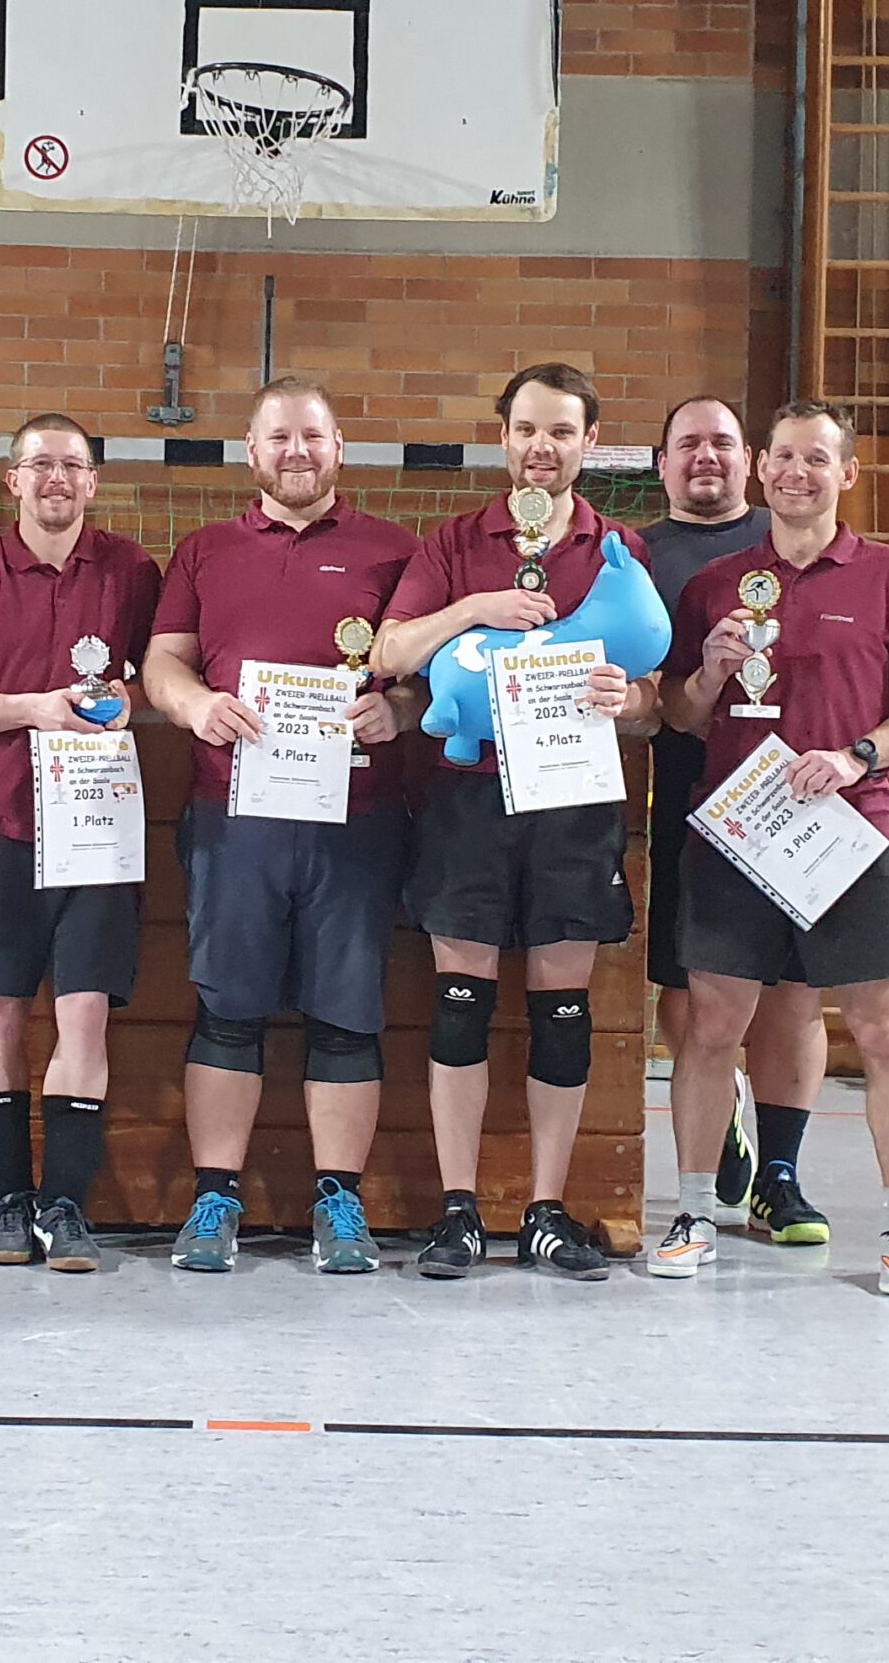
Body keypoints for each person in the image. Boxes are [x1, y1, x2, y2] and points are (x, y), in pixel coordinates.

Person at [655, 400, 889, 1296]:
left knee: (883, 1030)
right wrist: (707, 670)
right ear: (760, 470)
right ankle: (696, 1210)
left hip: (852, 835)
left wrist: (858, 755)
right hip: (736, 836)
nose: (795, 473)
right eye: (782, 457)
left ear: (846, 474)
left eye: (815, 459)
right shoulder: (718, 585)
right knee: (711, 1029)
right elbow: (678, 713)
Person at [372, 362, 658, 1282]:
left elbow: (655, 700)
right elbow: (389, 650)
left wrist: (628, 699)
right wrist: (473, 609)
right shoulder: (457, 541)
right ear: (503, 438)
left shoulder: (618, 549)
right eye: (528, 430)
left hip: (575, 801)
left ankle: (544, 1208)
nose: (543, 448)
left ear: (587, 444)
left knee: (561, 1012)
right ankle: (458, 1211)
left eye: (563, 432)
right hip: (470, 798)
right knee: (459, 1004)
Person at [142, 378, 424, 1276]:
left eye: (312, 437)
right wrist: (193, 707)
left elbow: (423, 672)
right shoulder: (205, 551)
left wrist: (402, 713)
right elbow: (162, 663)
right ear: (250, 451)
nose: (295, 453)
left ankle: (340, 1202)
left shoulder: (397, 551)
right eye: (278, 439)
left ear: (340, 446)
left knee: (347, 1019)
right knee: (228, 1009)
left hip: (358, 821)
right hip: (235, 817)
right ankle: (214, 1198)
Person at [0, 413, 161, 1272]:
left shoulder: (132, 570)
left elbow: (155, 676)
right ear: (10, 481)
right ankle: (9, 1206)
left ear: (92, 482)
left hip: (96, 827)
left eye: (73, 466)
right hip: (0, 820)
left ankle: (65, 1206)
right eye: (39, 465)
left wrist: (133, 700)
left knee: (85, 1015)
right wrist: (34, 707)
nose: (57, 479)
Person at [644, 396, 830, 1244]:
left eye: (722, 442)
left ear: (750, 458)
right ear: (661, 463)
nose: (706, 457)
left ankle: (780, 1175)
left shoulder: (791, 541)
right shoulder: (636, 554)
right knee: (689, 992)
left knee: (794, 994)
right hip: (692, 797)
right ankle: (722, 1133)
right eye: (689, 445)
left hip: (804, 806)